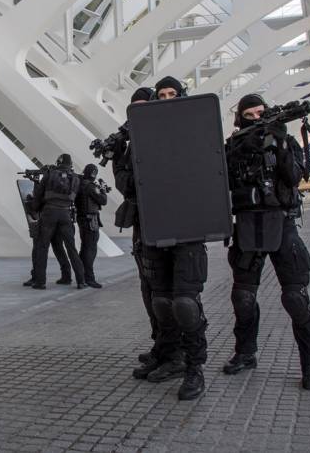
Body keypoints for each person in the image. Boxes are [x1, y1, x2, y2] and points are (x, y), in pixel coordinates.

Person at [223, 93, 310, 390]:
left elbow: (294, 177)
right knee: (242, 297)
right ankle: (245, 353)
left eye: (260, 113)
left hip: (281, 223)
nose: (256, 119)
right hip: (248, 226)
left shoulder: (285, 141)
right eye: (249, 115)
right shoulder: (233, 146)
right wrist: (241, 149)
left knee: (295, 297)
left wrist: (279, 145)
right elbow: (221, 179)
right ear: (240, 118)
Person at [137, 75, 210, 401]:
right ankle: (172, 357)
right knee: (162, 303)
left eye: (173, 94)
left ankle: (195, 369)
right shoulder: (145, 137)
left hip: (188, 228)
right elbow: (130, 183)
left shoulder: (197, 131)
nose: (167, 99)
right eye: (162, 94)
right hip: (158, 228)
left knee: (185, 304)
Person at [112, 88, 165, 377]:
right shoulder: (132, 146)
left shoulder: (172, 137)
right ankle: (162, 345)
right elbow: (127, 185)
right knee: (149, 288)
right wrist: (119, 160)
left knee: (173, 295)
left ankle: (181, 354)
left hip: (170, 221)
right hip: (143, 224)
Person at [24, 154, 86, 290]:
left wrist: (33, 208)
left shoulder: (50, 174)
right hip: (66, 214)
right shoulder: (75, 178)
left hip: (49, 213)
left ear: (58, 162)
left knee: (42, 246)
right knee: (71, 249)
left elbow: (39, 195)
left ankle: (40, 282)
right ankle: (80, 281)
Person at [75, 164, 108, 288]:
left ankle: (82, 276)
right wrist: (103, 190)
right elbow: (103, 201)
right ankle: (89, 278)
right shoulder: (89, 186)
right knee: (90, 249)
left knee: (85, 249)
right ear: (93, 173)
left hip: (83, 219)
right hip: (90, 220)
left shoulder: (81, 184)